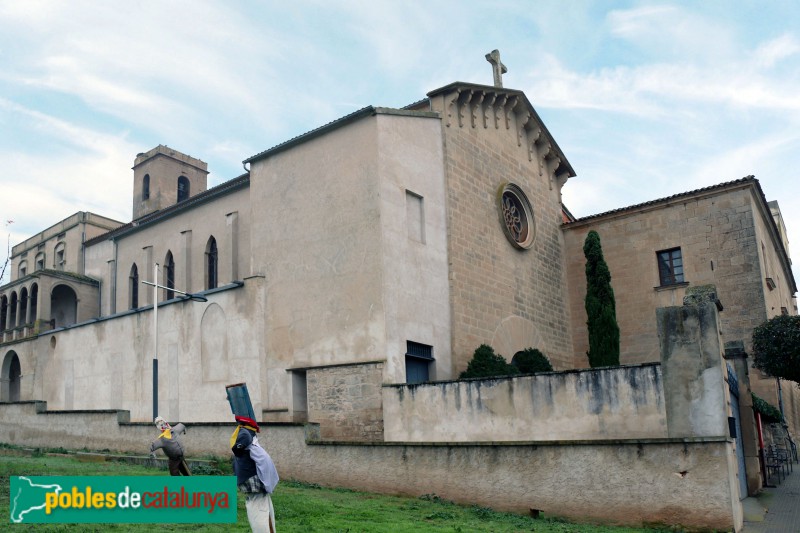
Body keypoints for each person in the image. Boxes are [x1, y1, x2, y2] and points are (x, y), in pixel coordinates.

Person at [231, 415, 279, 533]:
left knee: (257, 510)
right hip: (254, 478)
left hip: (252, 479)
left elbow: (236, 449)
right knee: (262, 507)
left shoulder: (244, 433)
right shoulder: (249, 433)